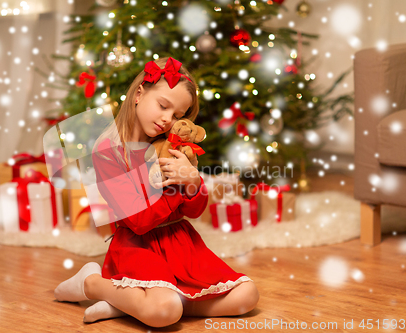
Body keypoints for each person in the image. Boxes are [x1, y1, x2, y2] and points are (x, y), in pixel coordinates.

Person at [54, 57, 259, 327]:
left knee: (247, 296)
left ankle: (131, 304)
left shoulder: (172, 146)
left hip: (179, 241)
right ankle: (93, 284)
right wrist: (177, 189)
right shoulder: (108, 151)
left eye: (177, 116)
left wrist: (193, 181)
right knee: (166, 312)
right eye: (163, 106)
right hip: (138, 247)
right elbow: (139, 222)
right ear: (139, 93)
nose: (167, 120)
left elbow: (194, 211)